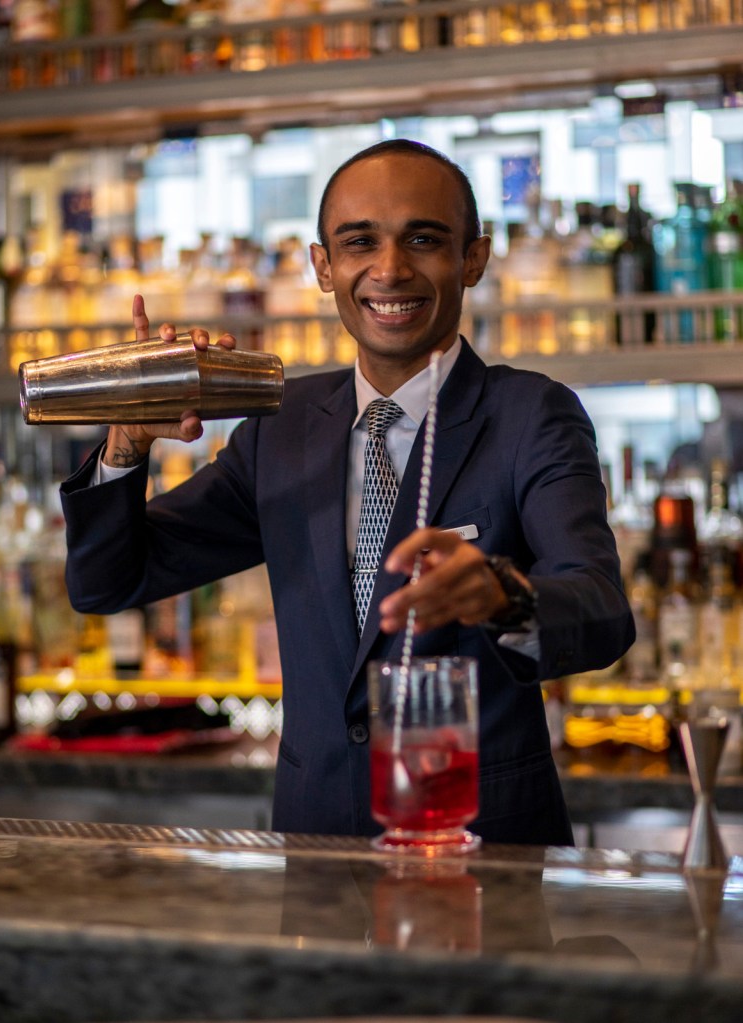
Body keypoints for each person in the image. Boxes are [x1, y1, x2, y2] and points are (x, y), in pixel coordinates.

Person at [60, 139, 635, 845]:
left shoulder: (529, 415)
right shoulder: (283, 427)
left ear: (473, 259)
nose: (389, 269)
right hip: (317, 846)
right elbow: (107, 581)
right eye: (359, 242)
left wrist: (502, 594)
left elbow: (603, 612)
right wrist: (125, 445)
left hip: (481, 848)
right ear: (323, 267)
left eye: (423, 240)